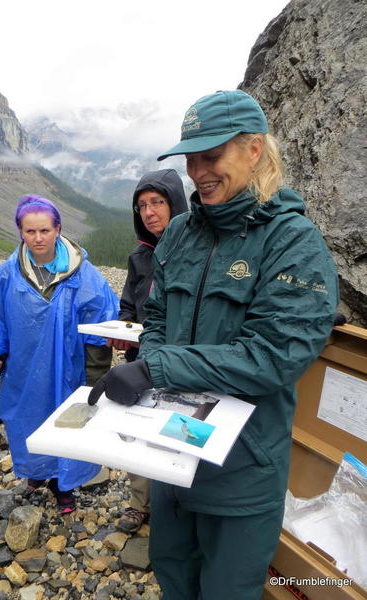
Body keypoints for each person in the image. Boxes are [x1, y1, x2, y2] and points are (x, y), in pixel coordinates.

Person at [88, 91, 339, 599]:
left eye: (212, 156)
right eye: (191, 159)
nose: (198, 171)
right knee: (173, 575)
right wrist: (150, 362)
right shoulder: (180, 232)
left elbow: (273, 356)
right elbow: (155, 317)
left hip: (242, 472)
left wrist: (156, 370)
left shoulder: (293, 242)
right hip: (170, 458)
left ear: (253, 151)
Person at [0, 194, 119, 514]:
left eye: (44, 231)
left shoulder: (82, 273)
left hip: (68, 367)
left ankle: (64, 486)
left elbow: (102, 321)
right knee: (26, 419)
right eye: (30, 231)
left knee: (65, 422)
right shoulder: (8, 274)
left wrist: (96, 377)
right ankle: (37, 473)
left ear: (57, 229)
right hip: (23, 369)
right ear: (20, 233)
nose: (38, 238)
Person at [110, 169, 188, 533]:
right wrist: (121, 331)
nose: (149, 212)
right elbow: (128, 306)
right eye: (141, 206)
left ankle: (176, 502)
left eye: (157, 202)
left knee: (179, 430)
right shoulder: (139, 257)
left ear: (175, 203)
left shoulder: (197, 249)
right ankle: (139, 503)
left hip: (182, 359)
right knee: (140, 429)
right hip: (140, 358)